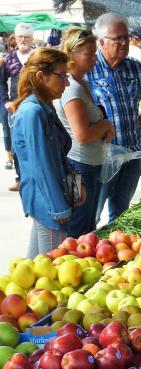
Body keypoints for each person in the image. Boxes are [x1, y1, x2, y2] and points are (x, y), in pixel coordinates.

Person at [87, 12, 141, 223]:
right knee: (91, 215)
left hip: (131, 152)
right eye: (117, 38)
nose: (123, 43)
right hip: (102, 157)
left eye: (126, 37)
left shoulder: (133, 67)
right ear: (101, 41)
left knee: (120, 215)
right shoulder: (89, 70)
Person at [11, 48, 87, 257]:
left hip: (49, 200)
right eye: (62, 76)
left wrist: (75, 183)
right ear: (40, 77)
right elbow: (42, 166)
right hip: (48, 203)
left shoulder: (44, 107)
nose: (67, 83)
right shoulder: (33, 112)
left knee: (34, 267)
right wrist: (59, 208)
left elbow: (58, 159)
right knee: (51, 270)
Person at [55, 28, 115, 237]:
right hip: (79, 166)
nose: (94, 57)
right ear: (72, 55)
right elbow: (81, 134)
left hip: (89, 164)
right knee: (79, 226)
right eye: (88, 53)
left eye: (94, 52)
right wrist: (106, 125)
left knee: (88, 225)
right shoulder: (72, 88)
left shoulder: (82, 83)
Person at [0, 23, 34, 191]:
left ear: (31, 38)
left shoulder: (38, 56)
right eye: (20, 36)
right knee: (17, 145)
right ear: (16, 37)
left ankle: (36, 178)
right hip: (15, 108)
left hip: (37, 106)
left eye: (26, 36)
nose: (23, 39)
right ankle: (21, 179)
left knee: (36, 142)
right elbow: (1, 82)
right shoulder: (9, 59)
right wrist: (5, 100)